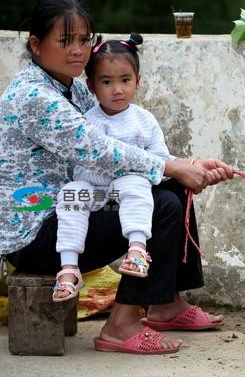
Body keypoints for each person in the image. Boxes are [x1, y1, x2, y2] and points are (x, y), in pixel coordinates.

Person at [0, 0, 234, 354]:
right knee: (164, 205)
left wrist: (184, 165)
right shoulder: (34, 96)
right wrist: (174, 166)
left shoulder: (74, 84)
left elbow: (119, 144)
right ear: (35, 44)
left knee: (170, 186)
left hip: (73, 205)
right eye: (65, 41)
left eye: (84, 39)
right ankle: (120, 326)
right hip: (37, 233)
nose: (78, 50)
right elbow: (99, 150)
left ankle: (166, 302)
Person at [54, 33, 170, 303]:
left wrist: (131, 173)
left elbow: (160, 159)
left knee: (135, 183)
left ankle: (138, 249)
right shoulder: (88, 122)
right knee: (70, 194)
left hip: (126, 197)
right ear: (92, 86)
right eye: (107, 82)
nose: (117, 89)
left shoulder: (144, 120)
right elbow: (81, 166)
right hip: (96, 195)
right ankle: (69, 267)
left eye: (125, 80)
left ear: (137, 81)